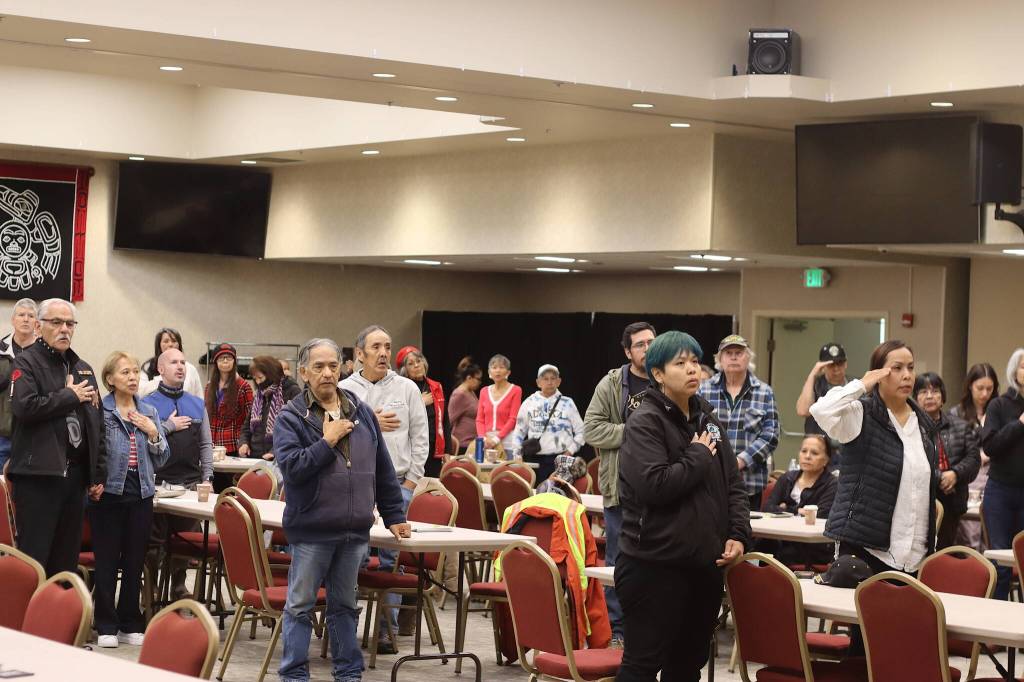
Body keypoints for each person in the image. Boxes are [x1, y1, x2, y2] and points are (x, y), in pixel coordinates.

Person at [275, 338, 410, 682]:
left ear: (343, 368)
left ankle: (349, 674)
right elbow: (291, 469)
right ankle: (293, 675)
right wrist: (327, 441)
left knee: (345, 607)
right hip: (312, 531)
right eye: (318, 367)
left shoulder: (360, 411)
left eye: (333, 366)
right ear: (303, 373)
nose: (327, 373)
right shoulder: (292, 416)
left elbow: (382, 467)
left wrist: (395, 515)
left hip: (354, 531)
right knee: (301, 605)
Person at [616, 331, 749, 681]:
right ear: (658, 374)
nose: (692, 370)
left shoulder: (707, 419)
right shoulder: (644, 421)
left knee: (687, 666)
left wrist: (737, 533)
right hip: (653, 566)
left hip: (703, 565)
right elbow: (654, 486)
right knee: (642, 665)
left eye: (695, 362)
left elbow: (732, 485)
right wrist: (698, 455)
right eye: (680, 363)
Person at [810, 340, 939, 575]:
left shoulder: (923, 425)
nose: (907, 375)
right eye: (897, 368)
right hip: (865, 550)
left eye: (910, 368)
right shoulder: (860, 413)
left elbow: (921, 494)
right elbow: (820, 410)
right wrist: (862, 384)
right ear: (879, 373)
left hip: (913, 556)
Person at [339, 325, 427, 651]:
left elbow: (421, 438)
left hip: (398, 485)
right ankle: (350, 630)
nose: (383, 353)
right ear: (359, 353)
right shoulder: (345, 388)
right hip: (356, 486)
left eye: (387, 346)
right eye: (376, 346)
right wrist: (369, 420)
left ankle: (385, 631)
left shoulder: (406, 389)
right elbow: (335, 432)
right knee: (356, 557)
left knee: (391, 560)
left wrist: (411, 481)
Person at [7, 298, 105, 576]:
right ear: (39, 326)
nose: (65, 329)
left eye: (70, 323)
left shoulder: (82, 367)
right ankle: (25, 619)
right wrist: (68, 396)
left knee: (66, 561)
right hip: (38, 476)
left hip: (74, 478)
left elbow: (96, 423)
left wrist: (97, 473)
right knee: (35, 560)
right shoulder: (25, 363)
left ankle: (56, 618)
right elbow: (24, 407)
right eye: (56, 323)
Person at [583, 320, 655, 648]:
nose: (647, 348)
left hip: (662, 491)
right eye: (640, 344)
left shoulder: (668, 380)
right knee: (618, 561)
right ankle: (617, 627)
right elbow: (592, 430)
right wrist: (634, 432)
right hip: (620, 490)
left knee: (658, 560)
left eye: (652, 342)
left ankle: (652, 623)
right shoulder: (612, 384)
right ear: (628, 351)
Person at [91, 351, 168, 648]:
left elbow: (162, 457)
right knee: (108, 561)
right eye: (125, 372)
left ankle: (130, 622)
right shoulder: (101, 410)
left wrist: (153, 434)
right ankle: (106, 624)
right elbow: (92, 452)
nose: (133, 377)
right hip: (109, 492)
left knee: (135, 561)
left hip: (142, 493)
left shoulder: (149, 412)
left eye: (136, 371)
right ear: (110, 379)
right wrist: (91, 483)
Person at [141, 347, 214, 598]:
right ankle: (150, 588)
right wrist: (168, 426)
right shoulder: (147, 403)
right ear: (161, 369)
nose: (181, 366)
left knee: (186, 541)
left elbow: (206, 444)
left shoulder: (196, 403)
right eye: (174, 362)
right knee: (153, 543)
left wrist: (208, 478)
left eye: (183, 362)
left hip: (191, 484)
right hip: (158, 483)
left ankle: (178, 585)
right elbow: (142, 441)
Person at [700, 334, 780, 511]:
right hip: (709, 481)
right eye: (728, 353)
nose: (734, 356)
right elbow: (694, 430)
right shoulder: (702, 390)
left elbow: (771, 435)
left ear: (748, 358)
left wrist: (741, 461)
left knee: (745, 535)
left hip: (749, 484)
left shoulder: (765, 392)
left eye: (739, 352)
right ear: (719, 359)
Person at [914, 372, 979, 550]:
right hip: (921, 502)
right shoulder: (910, 429)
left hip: (954, 501)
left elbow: (974, 459)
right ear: (914, 398)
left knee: (948, 552)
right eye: (923, 392)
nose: (929, 396)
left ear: (942, 397)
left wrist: (955, 474)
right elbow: (911, 462)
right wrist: (940, 477)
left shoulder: (961, 426)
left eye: (935, 391)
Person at [981, 348, 1024, 599]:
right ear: (1014, 372)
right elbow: (990, 447)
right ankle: (993, 633)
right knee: (1002, 562)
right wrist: (1019, 424)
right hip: (1001, 492)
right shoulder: (999, 405)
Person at [761, 434, 838, 566]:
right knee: (762, 544)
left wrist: (785, 508)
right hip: (781, 537)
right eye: (804, 451)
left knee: (785, 554)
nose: (807, 456)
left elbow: (820, 515)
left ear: (826, 460)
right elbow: (768, 507)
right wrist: (797, 511)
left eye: (814, 453)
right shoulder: (787, 478)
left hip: (812, 546)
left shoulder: (832, 484)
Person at [512, 364, 585, 481]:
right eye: (545, 378)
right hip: (534, 460)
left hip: (561, 460)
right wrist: (517, 455)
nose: (549, 382)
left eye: (553, 378)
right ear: (538, 382)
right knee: (536, 496)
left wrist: (569, 452)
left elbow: (582, 431)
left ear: (559, 381)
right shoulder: (529, 402)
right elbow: (518, 431)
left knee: (559, 496)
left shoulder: (568, 403)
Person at [953, 363, 999, 549]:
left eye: (989, 388)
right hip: (968, 475)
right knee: (969, 531)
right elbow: (953, 448)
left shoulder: (999, 410)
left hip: (993, 475)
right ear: (970, 386)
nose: (984, 394)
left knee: (991, 532)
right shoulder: (957, 413)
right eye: (980, 388)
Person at [395, 346, 448, 478]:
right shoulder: (402, 389)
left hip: (433, 449)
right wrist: (420, 403)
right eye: (411, 364)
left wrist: (447, 451)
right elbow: (399, 419)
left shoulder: (436, 387)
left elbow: (445, 420)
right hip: (412, 450)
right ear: (404, 369)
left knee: (432, 490)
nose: (417, 365)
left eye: (418, 361)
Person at [796, 343, 851, 468]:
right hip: (820, 453)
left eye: (840, 364)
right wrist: (813, 375)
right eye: (831, 365)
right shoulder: (815, 385)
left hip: (848, 452)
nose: (836, 369)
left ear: (846, 364)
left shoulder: (854, 386)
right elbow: (803, 410)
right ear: (822, 366)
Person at [238, 355, 301, 461]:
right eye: (255, 379)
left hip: (281, 458)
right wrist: (244, 443)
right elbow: (246, 427)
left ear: (271, 374)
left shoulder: (292, 392)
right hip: (254, 457)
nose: (258, 382)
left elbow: (296, 429)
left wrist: (274, 451)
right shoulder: (259, 395)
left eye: (261, 378)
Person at [0, 297, 36, 472]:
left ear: (37, 323)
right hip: (2, 436)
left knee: (28, 494)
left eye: (31, 315)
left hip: (33, 438)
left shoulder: (46, 354)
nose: (26, 319)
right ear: (13, 320)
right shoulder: (0, 350)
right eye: (21, 315)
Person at [204, 343, 254, 458]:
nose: (225, 361)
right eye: (221, 358)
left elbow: (249, 419)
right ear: (215, 362)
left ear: (234, 361)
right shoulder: (209, 386)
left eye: (229, 358)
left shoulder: (243, 386)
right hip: (212, 446)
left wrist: (246, 443)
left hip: (234, 445)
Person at [475, 354, 522, 454]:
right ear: (489, 372)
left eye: (502, 367)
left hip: (507, 442)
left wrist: (496, 439)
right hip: (486, 443)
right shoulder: (484, 391)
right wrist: (483, 438)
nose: (498, 370)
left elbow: (513, 419)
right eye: (494, 367)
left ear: (508, 372)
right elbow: (479, 419)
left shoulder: (516, 390)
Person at [139, 328, 203, 398]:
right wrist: (163, 383)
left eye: (174, 341)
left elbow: (199, 397)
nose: (170, 344)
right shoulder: (148, 366)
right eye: (166, 341)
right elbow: (140, 392)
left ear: (179, 345)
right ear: (159, 345)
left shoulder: (190, 368)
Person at [447, 358, 482, 455]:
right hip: (463, 445)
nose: (480, 382)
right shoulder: (459, 394)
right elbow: (449, 419)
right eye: (478, 379)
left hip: (473, 443)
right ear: (469, 378)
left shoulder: (471, 392)